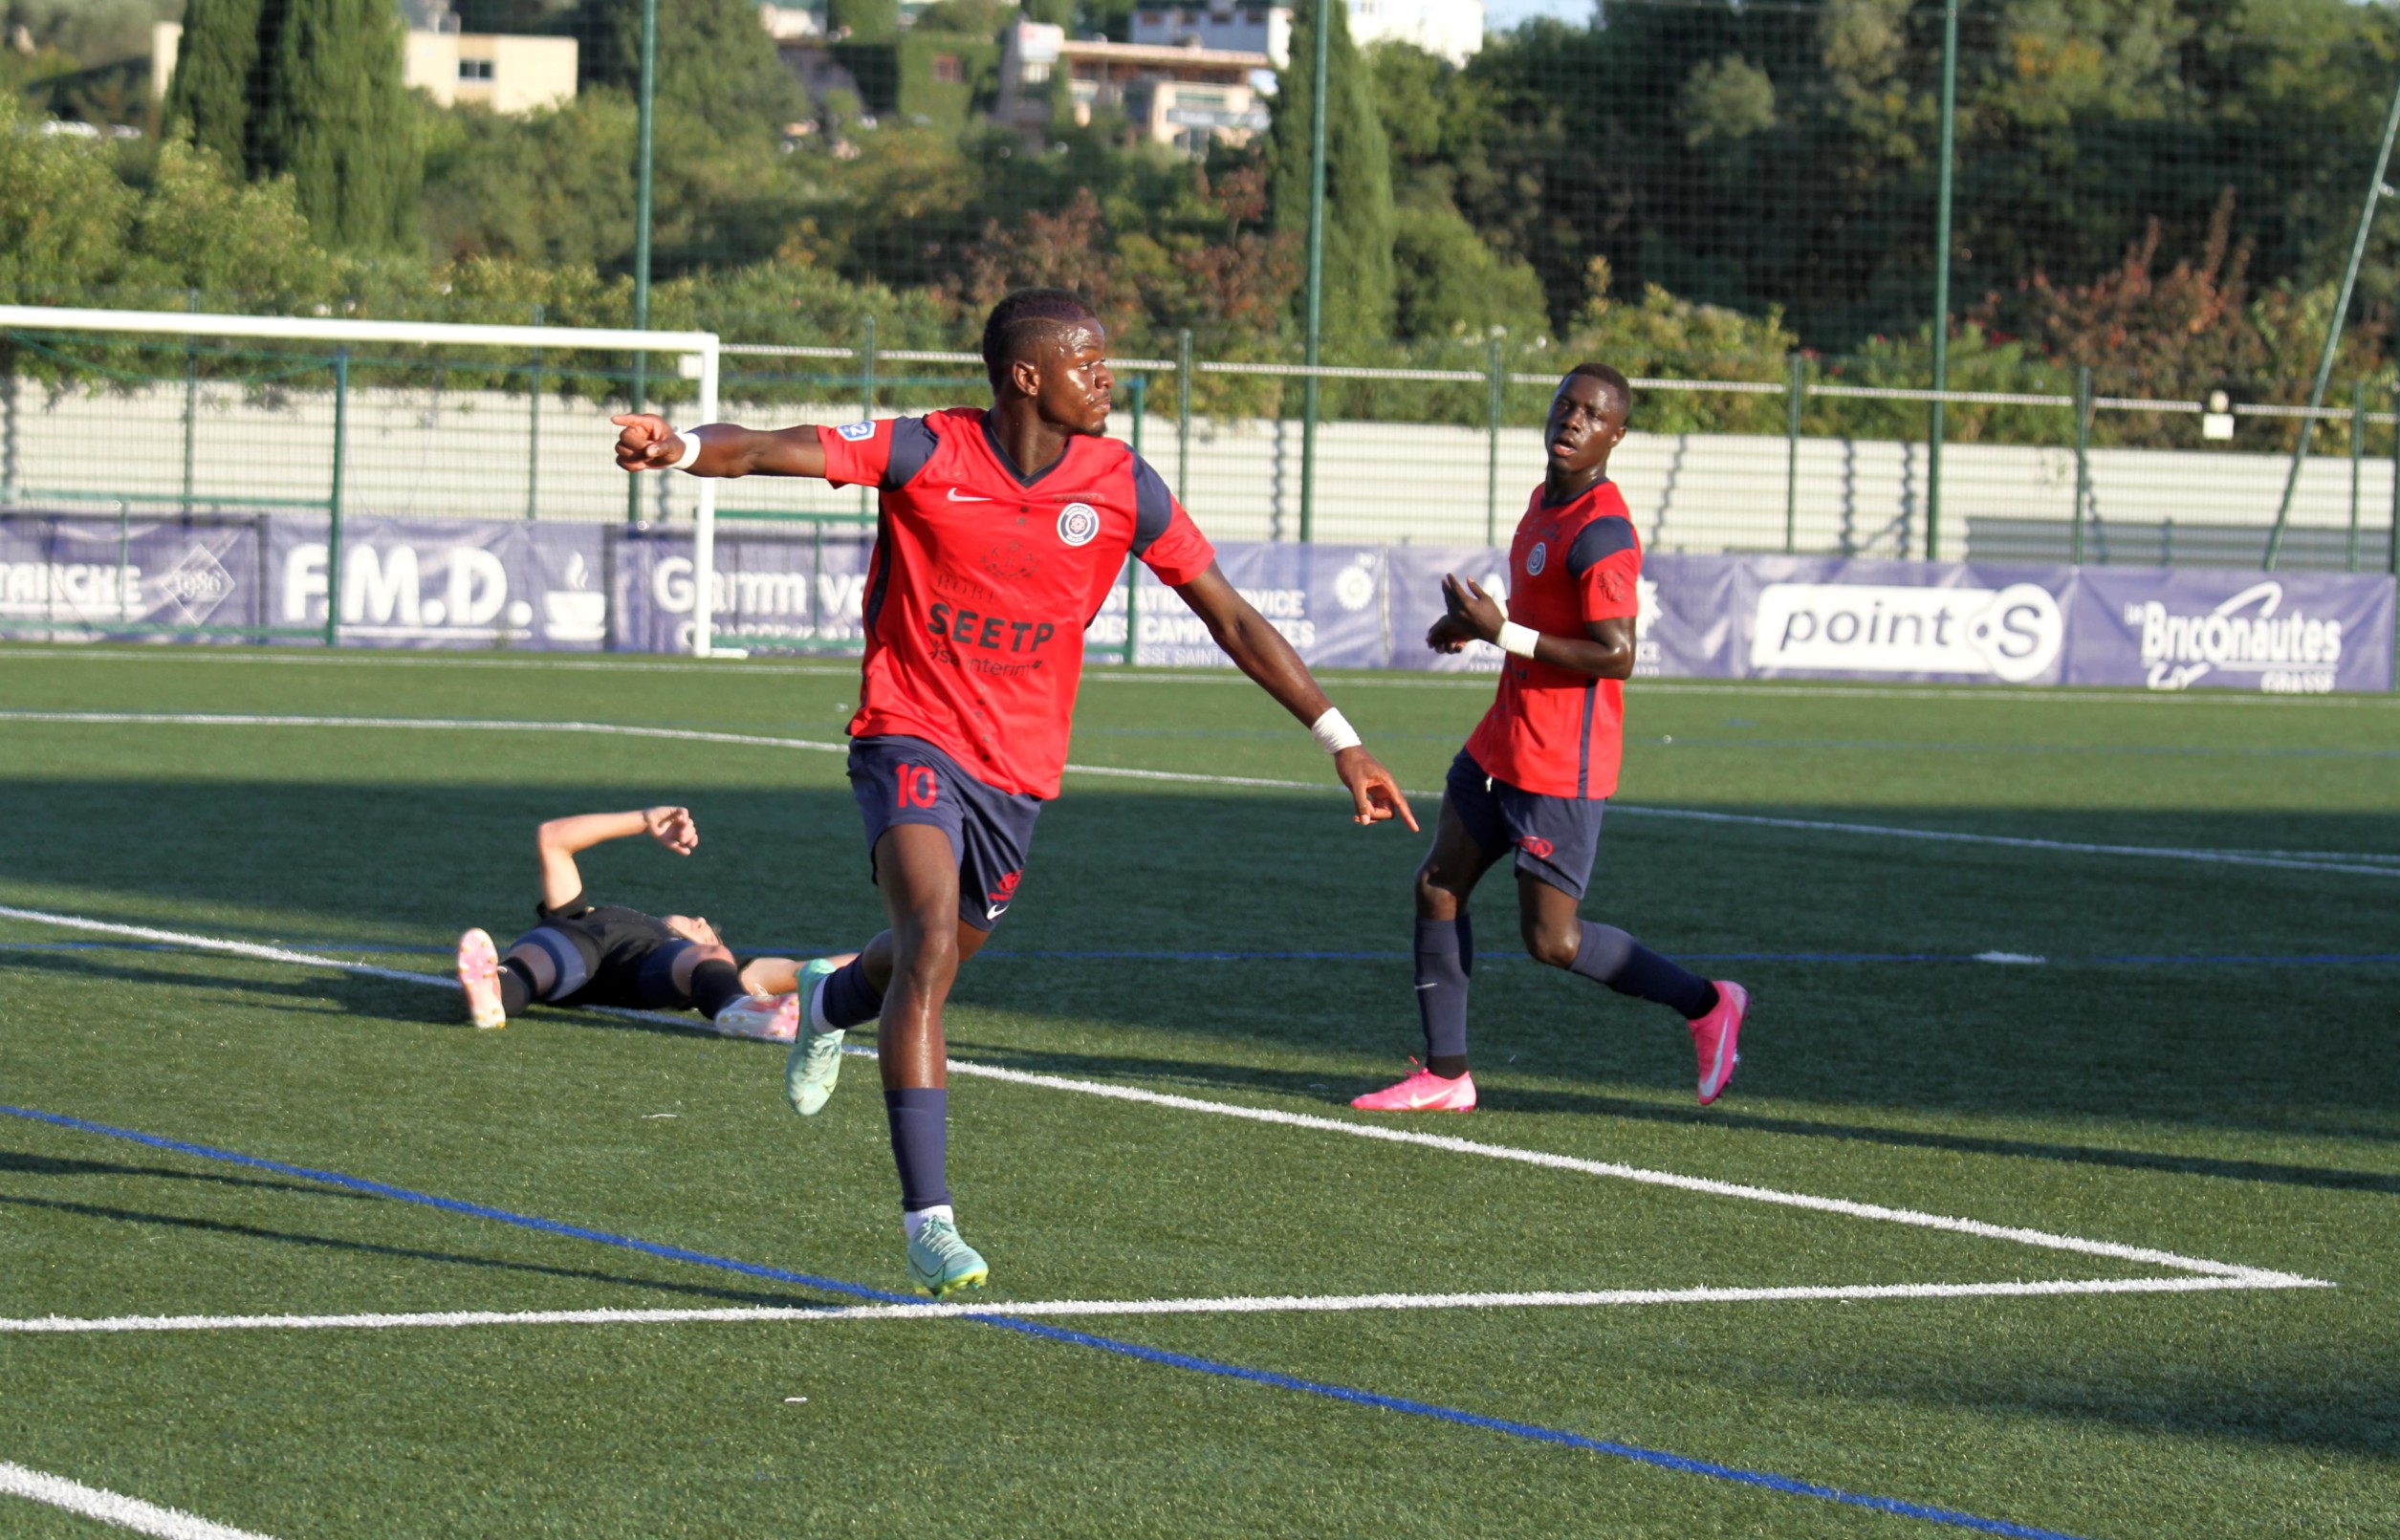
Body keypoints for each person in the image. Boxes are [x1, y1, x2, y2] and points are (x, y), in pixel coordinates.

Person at [611, 288, 1416, 1296]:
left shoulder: (1124, 483)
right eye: (1088, 363)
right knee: (934, 941)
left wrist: (1339, 738)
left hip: (1017, 772)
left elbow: (1233, 617)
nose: (1108, 380)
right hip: (906, 731)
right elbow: (770, 446)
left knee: (932, 949)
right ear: (1026, 376)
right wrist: (679, 446)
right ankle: (929, 1221)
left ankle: (827, 995)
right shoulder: (925, 451)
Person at [1351, 362, 1748, 1115]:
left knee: (1551, 942)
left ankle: (1707, 1004)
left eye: (1593, 415)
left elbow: (1617, 654)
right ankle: (1446, 1074)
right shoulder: (1542, 502)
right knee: (1438, 885)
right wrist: (1476, 626)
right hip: (1499, 742)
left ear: (1616, 435)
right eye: (1566, 406)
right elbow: (1536, 619)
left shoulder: (1604, 530)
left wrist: (1508, 632)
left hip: (1560, 764)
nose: (1573, 421)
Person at [455, 806, 802, 1041]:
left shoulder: (717, 962)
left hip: (648, 972)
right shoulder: (580, 914)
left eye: (707, 929)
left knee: (703, 959)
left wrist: (860, 964)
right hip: (575, 945)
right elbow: (553, 839)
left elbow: (803, 969)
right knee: (544, 949)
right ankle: (495, 992)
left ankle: (737, 1009)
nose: (700, 920)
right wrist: (643, 819)